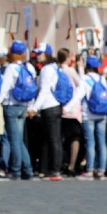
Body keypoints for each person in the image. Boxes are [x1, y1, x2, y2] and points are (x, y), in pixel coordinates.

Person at [0, 40, 36, 180]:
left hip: (11, 105)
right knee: (19, 139)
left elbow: (4, 88)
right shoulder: (29, 67)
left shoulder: (11, 68)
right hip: (24, 106)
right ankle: (28, 169)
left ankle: (16, 169)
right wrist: (31, 106)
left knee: (14, 140)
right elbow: (32, 88)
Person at [28, 45, 64, 180]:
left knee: (53, 139)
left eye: (40, 53)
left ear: (47, 54)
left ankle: (55, 170)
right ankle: (52, 168)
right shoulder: (55, 67)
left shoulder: (46, 70)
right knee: (53, 139)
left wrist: (34, 108)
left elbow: (44, 91)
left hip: (49, 106)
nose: (38, 55)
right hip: (55, 106)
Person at [76, 55, 107, 179]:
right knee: (102, 143)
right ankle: (102, 170)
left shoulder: (85, 79)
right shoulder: (102, 79)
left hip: (88, 114)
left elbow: (79, 94)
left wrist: (68, 107)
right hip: (101, 113)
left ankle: (90, 170)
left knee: (90, 143)